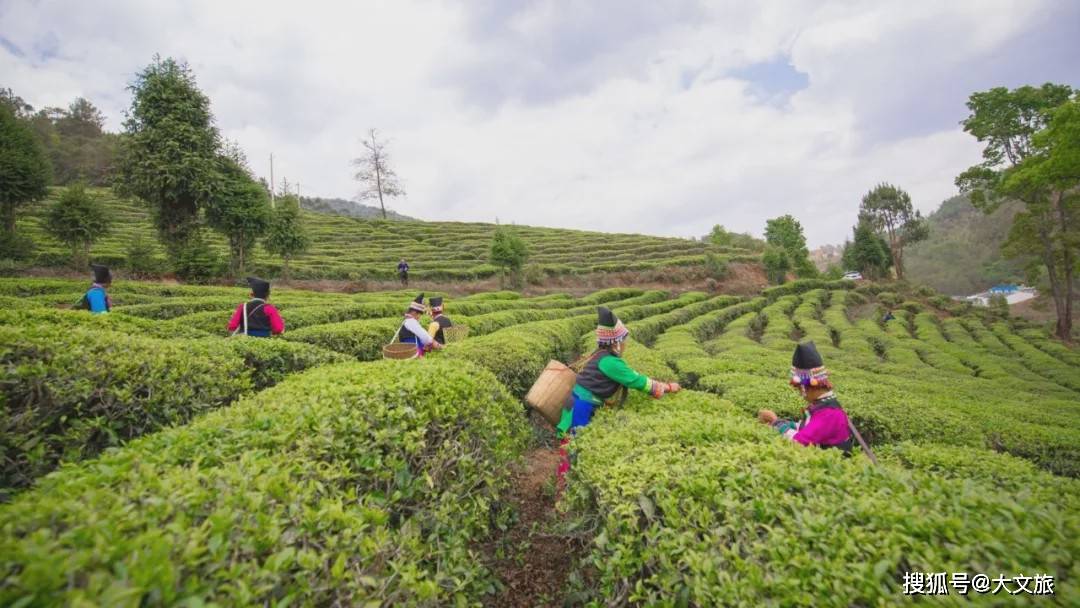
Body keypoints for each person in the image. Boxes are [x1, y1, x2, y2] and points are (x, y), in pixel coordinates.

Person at [556, 306, 681, 485]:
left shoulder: (599, 355)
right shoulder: (610, 362)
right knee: (573, 448)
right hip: (581, 408)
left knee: (571, 446)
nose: (625, 344)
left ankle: (564, 487)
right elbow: (638, 381)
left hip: (576, 403)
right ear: (615, 342)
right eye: (624, 340)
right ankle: (564, 491)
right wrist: (668, 387)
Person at [757, 341, 853, 454]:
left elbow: (798, 442)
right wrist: (785, 423)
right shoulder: (824, 405)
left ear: (806, 387)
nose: (800, 393)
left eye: (799, 389)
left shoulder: (829, 413)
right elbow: (808, 428)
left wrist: (776, 422)